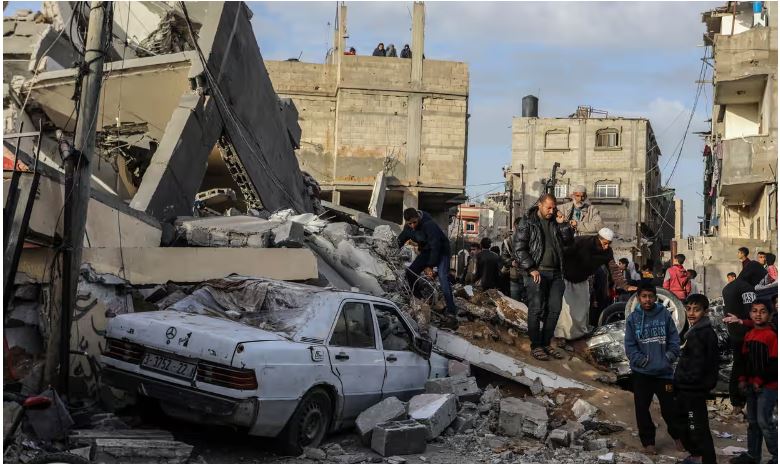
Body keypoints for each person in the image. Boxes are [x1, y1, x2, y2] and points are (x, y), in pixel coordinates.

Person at [513, 194, 574, 361]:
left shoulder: (556, 222)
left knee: (554, 310)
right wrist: (531, 268)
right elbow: (518, 248)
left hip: (556, 273)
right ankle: (536, 345)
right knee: (536, 309)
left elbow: (569, 243)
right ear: (539, 205)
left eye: (554, 207)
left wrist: (563, 225)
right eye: (548, 207)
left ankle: (546, 343)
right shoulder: (528, 222)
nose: (552, 211)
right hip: (537, 273)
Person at [624, 283, 682, 455]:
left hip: (664, 373)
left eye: (650, 296)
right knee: (642, 409)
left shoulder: (664, 314)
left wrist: (669, 357)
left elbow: (674, 339)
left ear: (655, 298)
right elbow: (630, 345)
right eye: (644, 296)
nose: (647, 300)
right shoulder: (633, 319)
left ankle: (678, 437)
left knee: (670, 408)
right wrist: (640, 361)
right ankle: (648, 442)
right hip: (642, 373)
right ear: (638, 298)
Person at [556, 228, 636, 341]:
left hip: (583, 280)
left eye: (609, 244)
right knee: (566, 310)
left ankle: (579, 335)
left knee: (582, 308)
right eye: (605, 243)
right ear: (599, 239)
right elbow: (564, 251)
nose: (606, 246)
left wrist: (624, 285)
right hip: (567, 279)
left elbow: (613, 269)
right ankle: (562, 336)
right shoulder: (582, 241)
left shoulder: (607, 252)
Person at [729, 300, 777, 464]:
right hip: (751, 387)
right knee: (753, 422)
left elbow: (774, 363)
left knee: (765, 422)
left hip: (769, 387)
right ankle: (753, 456)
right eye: (754, 311)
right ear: (750, 314)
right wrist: (742, 379)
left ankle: (776, 455)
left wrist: (759, 380)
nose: (758, 314)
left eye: (762, 311)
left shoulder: (772, 335)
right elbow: (743, 360)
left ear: (770, 315)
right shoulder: (749, 335)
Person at [674, 294, 719, 464]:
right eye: (689, 309)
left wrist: (684, 382)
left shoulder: (703, 333)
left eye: (697, 309)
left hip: (693, 390)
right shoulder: (694, 330)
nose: (692, 313)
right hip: (688, 389)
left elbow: (700, 365)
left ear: (705, 312)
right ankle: (696, 456)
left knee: (696, 429)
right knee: (685, 425)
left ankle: (705, 459)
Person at [397, 208, 457, 327]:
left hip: (441, 250)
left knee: (443, 278)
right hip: (426, 250)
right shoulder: (408, 228)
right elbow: (400, 240)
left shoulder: (429, 224)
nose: (412, 225)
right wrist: (393, 248)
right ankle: (420, 300)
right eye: (410, 223)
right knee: (410, 272)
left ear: (418, 218)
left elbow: (436, 246)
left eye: (414, 222)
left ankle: (451, 311)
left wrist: (429, 266)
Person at [722, 264, 767, 410]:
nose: (759, 282)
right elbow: (753, 313)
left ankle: (736, 401)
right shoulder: (747, 288)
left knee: (738, 364)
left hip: (733, 331)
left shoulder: (727, 287)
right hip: (747, 333)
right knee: (746, 367)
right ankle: (742, 401)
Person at [500, 231, 524, 302]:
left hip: (528, 275)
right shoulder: (508, 241)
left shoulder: (531, 237)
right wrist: (511, 262)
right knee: (515, 301)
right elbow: (504, 257)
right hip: (515, 276)